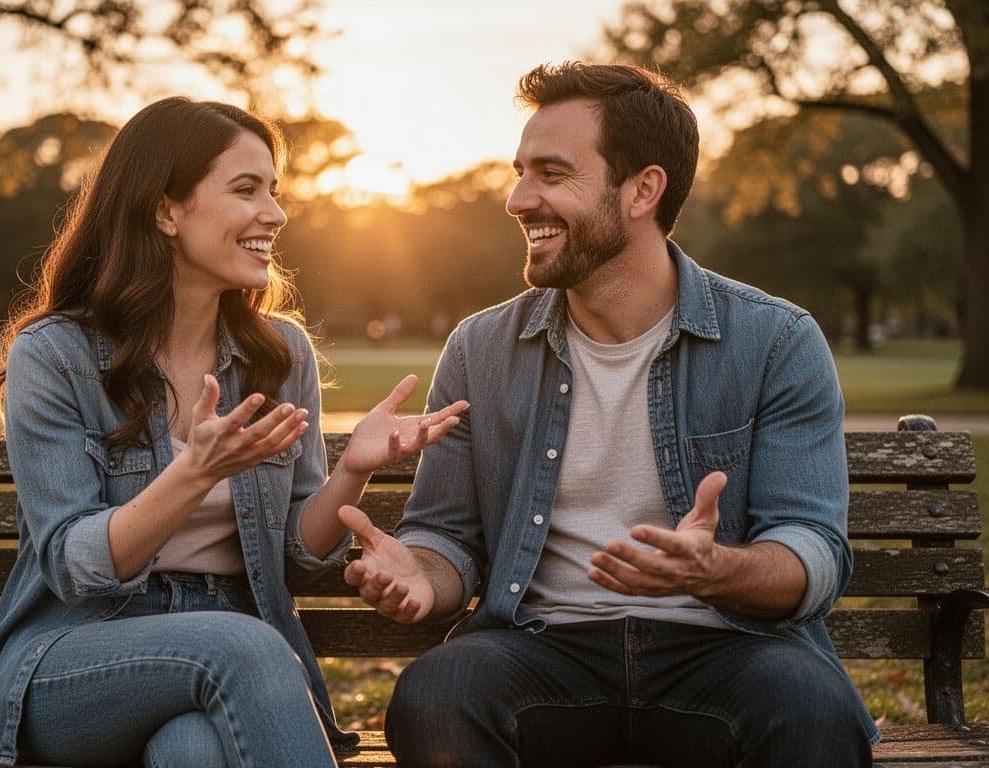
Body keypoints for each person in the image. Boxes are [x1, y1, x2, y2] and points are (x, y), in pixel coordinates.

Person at [339, 62, 878, 767]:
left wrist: (714, 570)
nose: (517, 199)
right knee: (436, 695)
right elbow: (448, 536)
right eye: (519, 171)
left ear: (642, 190)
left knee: (813, 710)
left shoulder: (775, 341)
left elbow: (812, 549)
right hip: (542, 650)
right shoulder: (481, 347)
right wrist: (421, 574)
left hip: (729, 652)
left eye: (551, 175)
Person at [0, 97, 467, 768]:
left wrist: (351, 471)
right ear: (166, 210)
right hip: (75, 655)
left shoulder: (280, 353)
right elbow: (76, 569)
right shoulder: (56, 355)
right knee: (240, 646)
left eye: (274, 192)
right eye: (245, 190)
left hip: (227, 658)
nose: (274, 214)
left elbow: (298, 558)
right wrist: (193, 474)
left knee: (193, 751)